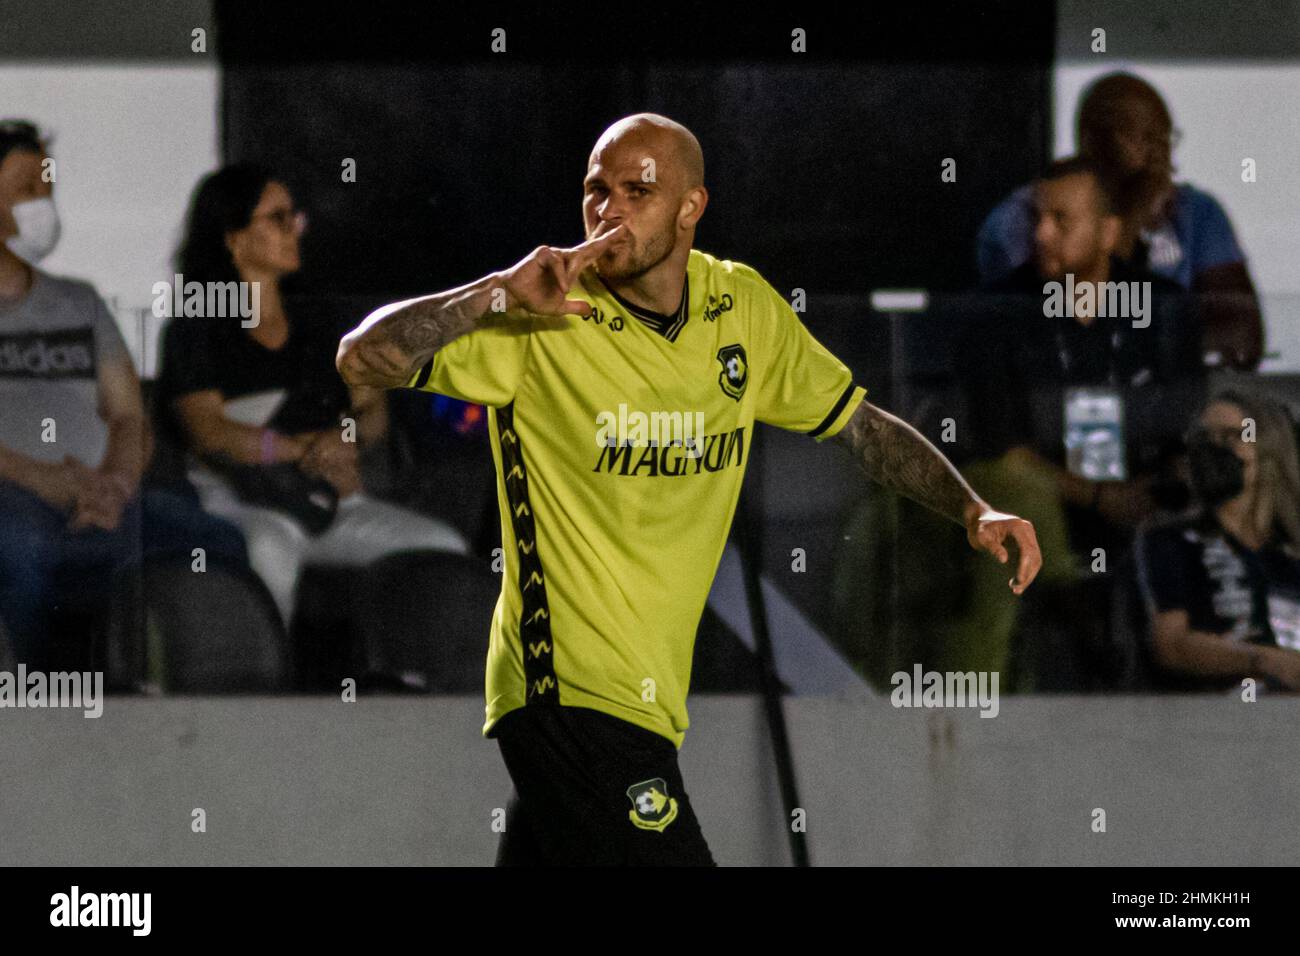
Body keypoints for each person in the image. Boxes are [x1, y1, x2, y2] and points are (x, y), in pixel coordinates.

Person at [337, 113, 1043, 865]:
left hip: (650, 703)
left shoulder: (740, 307)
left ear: (690, 208)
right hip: (567, 690)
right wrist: (494, 297)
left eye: (637, 191)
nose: (609, 211)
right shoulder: (539, 321)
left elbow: (861, 429)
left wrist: (972, 506)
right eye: (595, 191)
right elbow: (362, 358)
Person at [156, 164, 468, 629]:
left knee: (441, 550)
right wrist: (301, 449)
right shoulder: (194, 328)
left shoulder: (321, 323)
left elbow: (369, 422)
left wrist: (354, 430)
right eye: (277, 219)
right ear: (233, 237)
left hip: (332, 501)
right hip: (245, 503)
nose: (294, 229)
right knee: (268, 550)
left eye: (294, 218)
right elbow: (209, 433)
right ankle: (264, 688)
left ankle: (405, 683)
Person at [0, 119, 246, 668]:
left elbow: (128, 415)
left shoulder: (79, 301)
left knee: (218, 542)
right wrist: (46, 481)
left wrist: (114, 483)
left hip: (103, 497)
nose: (44, 205)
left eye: (48, 188)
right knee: (19, 552)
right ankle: (31, 722)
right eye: (26, 192)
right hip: (14, 496)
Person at [977, 72, 1264, 370]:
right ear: (1090, 140)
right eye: (1137, 135)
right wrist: (1133, 214)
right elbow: (1047, 329)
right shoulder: (1028, 215)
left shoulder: (1197, 212)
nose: (1156, 150)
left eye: (1162, 136)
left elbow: (1242, 341)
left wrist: (1158, 346)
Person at [1134, 390, 1300, 692]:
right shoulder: (1174, 540)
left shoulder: (1289, 549)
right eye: (1203, 438)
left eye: (1232, 437)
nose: (1214, 449)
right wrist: (1265, 660)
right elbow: (1171, 644)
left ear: (1269, 449)